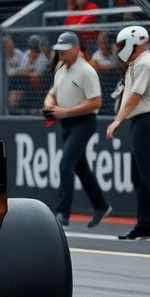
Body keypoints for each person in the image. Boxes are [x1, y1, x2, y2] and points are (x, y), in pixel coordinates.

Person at [43, 32, 110, 227]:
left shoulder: (87, 71)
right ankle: (101, 205)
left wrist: (65, 111)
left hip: (83, 123)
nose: (60, 52)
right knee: (81, 167)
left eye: (64, 49)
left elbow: (95, 102)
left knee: (66, 164)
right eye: (59, 49)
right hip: (67, 122)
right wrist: (49, 103)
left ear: (75, 48)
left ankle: (63, 213)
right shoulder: (60, 67)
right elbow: (52, 92)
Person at [106, 26, 150, 241]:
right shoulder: (136, 63)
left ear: (134, 43)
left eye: (122, 45)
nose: (119, 49)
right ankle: (144, 224)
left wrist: (117, 121)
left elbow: (135, 97)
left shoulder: (144, 64)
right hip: (141, 121)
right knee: (139, 176)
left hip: (148, 120)